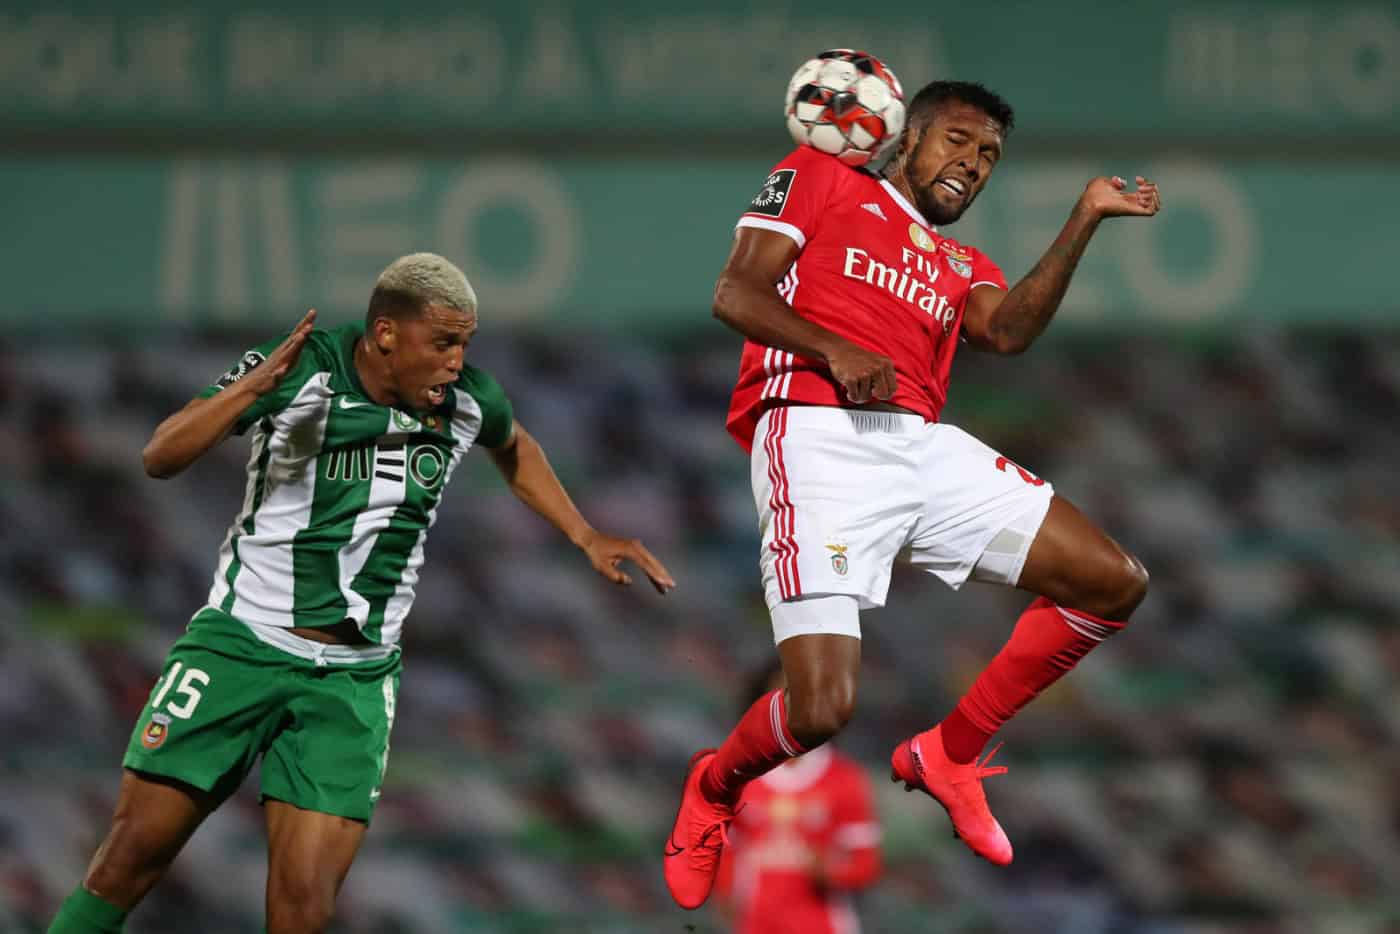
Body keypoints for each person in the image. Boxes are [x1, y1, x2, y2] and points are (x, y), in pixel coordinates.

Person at [47, 253, 675, 934]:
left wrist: (583, 534)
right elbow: (159, 455)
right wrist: (250, 391)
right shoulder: (302, 369)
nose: (457, 362)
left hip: (351, 683)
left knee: (303, 906)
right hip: (240, 647)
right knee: (132, 856)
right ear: (384, 335)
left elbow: (512, 442)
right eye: (442, 343)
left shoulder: (466, 402)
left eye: (464, 344)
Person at [665, 79, 1160, 909]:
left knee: (1114, 581)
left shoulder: (961, 260)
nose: (974, 162)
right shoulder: (822, 178)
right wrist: (832, 351)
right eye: (959, 141)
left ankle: (950, 754)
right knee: (822, 710)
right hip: (815, 434)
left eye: (990, 155)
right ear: (908, 136)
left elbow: (1006, 332)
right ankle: (715, 786)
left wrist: (1084, 218)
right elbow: (734, 294)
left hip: (918, 448)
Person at [713, 662, 882, 934]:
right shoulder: (739, 776)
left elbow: (865, 864)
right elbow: (724, 850)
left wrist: (830, 870)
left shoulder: (844, 778)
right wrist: (725, 895)